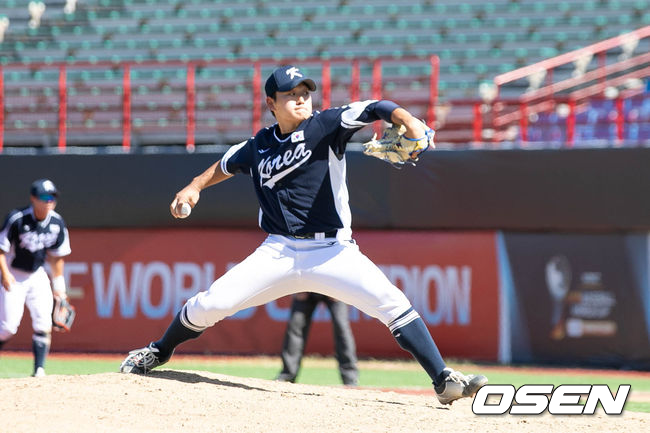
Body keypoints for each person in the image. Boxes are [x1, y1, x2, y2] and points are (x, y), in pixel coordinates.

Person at [119, 65, 487, 405]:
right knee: (211, 304)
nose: (300, 99)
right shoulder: (258, 145)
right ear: (271, 103)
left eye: (304, 92)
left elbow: (376, 106)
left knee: (391, 302)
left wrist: (407, 120)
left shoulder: (326, 125)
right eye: (290, 94)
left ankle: (442, 379)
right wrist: (194, 186)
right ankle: (159, 350)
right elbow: (225, 164)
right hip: (277, 251)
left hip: (333, 250)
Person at [0, 179, 71, 377]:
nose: (50, 201)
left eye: (53, 197)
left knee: (43, 323)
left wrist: (60, 288)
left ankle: (39, 371)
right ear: (33, 198)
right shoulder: (17, 218)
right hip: (14, 274)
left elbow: (57, 258)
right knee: (7, 328)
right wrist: (4, 274)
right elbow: (1, 250)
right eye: (45, 197)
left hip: (37, 275)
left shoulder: (57, 222)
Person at [276, 292, 358, 386]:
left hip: (332, 284)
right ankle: (287, 375)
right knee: (295, 326)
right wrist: (299, 287)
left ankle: (350, 378)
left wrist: (337, 287)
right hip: (308, 285)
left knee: (341, 328)